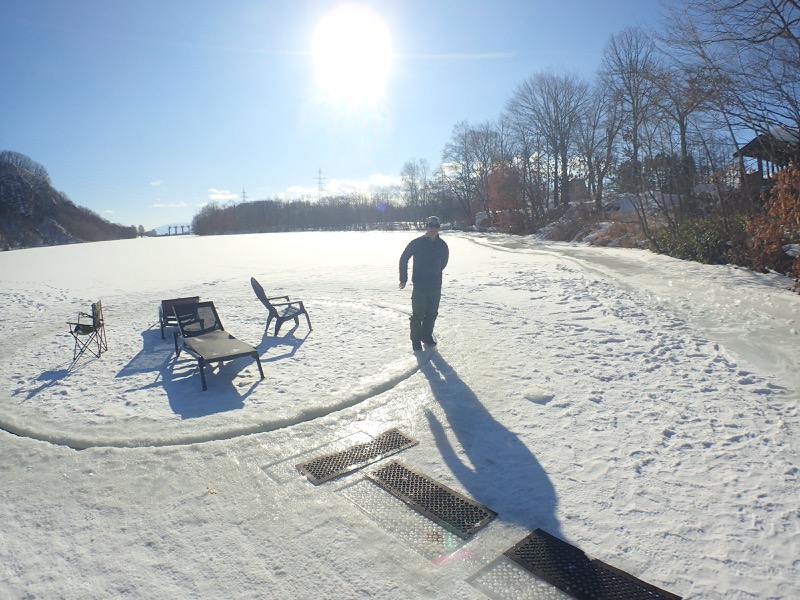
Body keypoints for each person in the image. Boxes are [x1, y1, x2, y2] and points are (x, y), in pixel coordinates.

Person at [399, 216, 449, 351]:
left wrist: (434, 273)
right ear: (426, 227)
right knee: (418, 315)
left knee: (432, 314)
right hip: (420, 285)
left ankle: (426, 337)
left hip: (435, 285)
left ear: (439, 228)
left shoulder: (442, 245)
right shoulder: (417, 243)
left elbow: (443, 263)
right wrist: (403, 278)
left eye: (436, 226)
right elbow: (404, 258)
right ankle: (416, 341)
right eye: (431, 226)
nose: (433, 228)